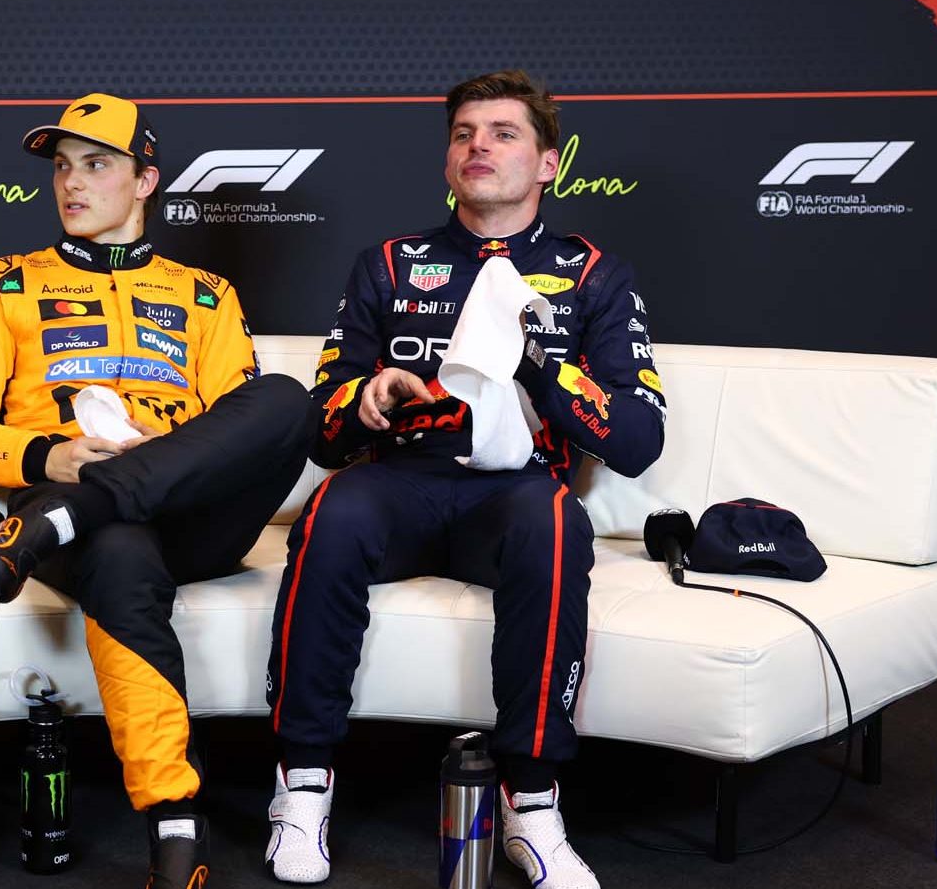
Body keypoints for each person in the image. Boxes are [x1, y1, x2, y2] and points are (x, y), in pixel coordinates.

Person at [262, 70, 667, 889]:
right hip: (399, 483)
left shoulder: (594, 275)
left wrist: (540, 370)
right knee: (332, 511)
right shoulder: (386, 263)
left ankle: (534, 799)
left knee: (555, 522)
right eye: (463, 134)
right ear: (447, 159)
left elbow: (638, 439)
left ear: (549, 163)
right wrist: (365, 398)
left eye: (504, 133)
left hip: (513, 493)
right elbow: (320, 428)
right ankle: (301, 785)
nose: (478, 146)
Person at [0, 94, 314, 889]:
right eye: (63, 167)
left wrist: (120, 479)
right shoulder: (3, 284)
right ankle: (176, 827)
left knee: (284, 401)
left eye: (97, 164)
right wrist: (48, 457)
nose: (72, 183)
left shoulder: (206, 293)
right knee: (119, 546)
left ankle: (70, 517)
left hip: (185, 518)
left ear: (146, 181)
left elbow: (237, 435)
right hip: (78, 523)